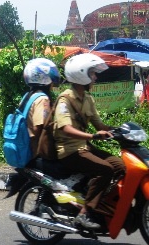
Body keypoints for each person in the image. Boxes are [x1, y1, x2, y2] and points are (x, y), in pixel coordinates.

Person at [53, 53, 126, 230]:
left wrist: (121, 130)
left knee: (120, 166)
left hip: (84, 147)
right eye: (92, 73)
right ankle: (84, 213)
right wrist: (93, 136)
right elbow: (66, 128)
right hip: (69, 150)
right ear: (81, 74)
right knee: (105, 170)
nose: (95, 77)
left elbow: (99, 124)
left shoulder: (88, 98)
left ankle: (100, 206)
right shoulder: (65, 99)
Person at [22, 58, 61, 161]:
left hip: (28, 149)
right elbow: (38, 128)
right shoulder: (42, 99)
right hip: (37, 153)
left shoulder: (28, 96)